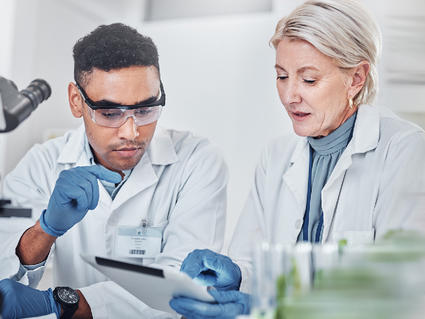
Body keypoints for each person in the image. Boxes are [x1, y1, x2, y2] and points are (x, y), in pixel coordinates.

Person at [169, 0, 425, 318]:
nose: (291, 96)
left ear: (357, 78)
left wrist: (270, 308)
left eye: (309, 80)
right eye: (281, 76)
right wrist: (237, 276)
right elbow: (254, 265)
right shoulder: (276, 157)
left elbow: (400, 292)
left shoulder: (405, 151)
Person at [0, 23, 227, 318]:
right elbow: (8, 282)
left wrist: (61, 303)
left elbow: (181, 285)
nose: (131, 131)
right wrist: (46, 230)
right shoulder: (41, 164)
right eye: (110, 113)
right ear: (76, 101)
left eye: (146, 109)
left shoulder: (197, 161)